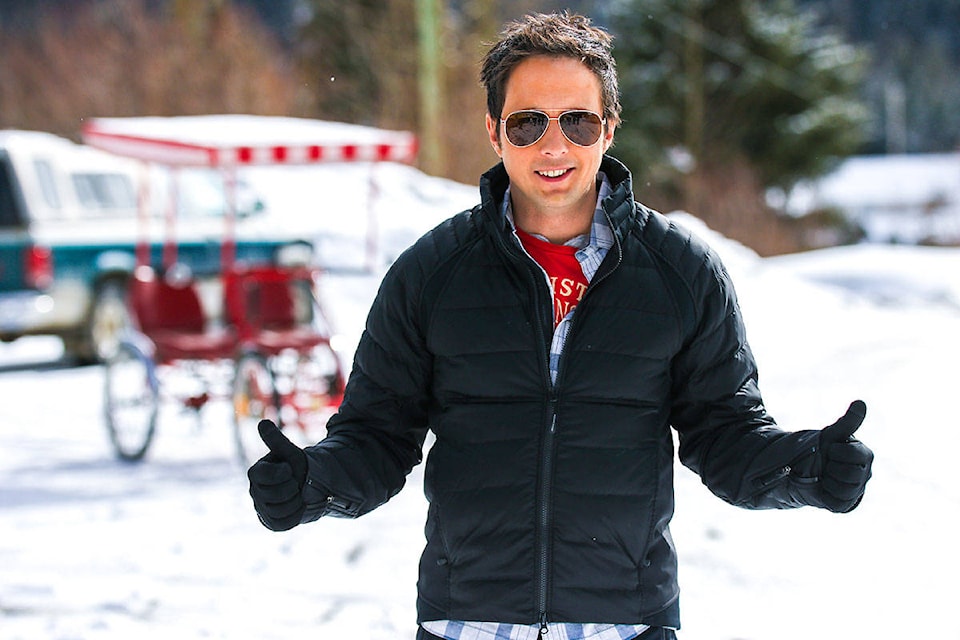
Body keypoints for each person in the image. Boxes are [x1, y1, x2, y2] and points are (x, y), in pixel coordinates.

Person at [248, 11, 874, 640]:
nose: (554, 146)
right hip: (467, 621)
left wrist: (807, 468)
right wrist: (312, 484)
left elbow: (729, 435)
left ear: (609, 129)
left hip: (626, 624)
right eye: (528, 123)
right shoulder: (431, 275)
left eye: (577, 121)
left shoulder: (681, 274)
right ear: (495, 132)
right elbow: (376, 436)